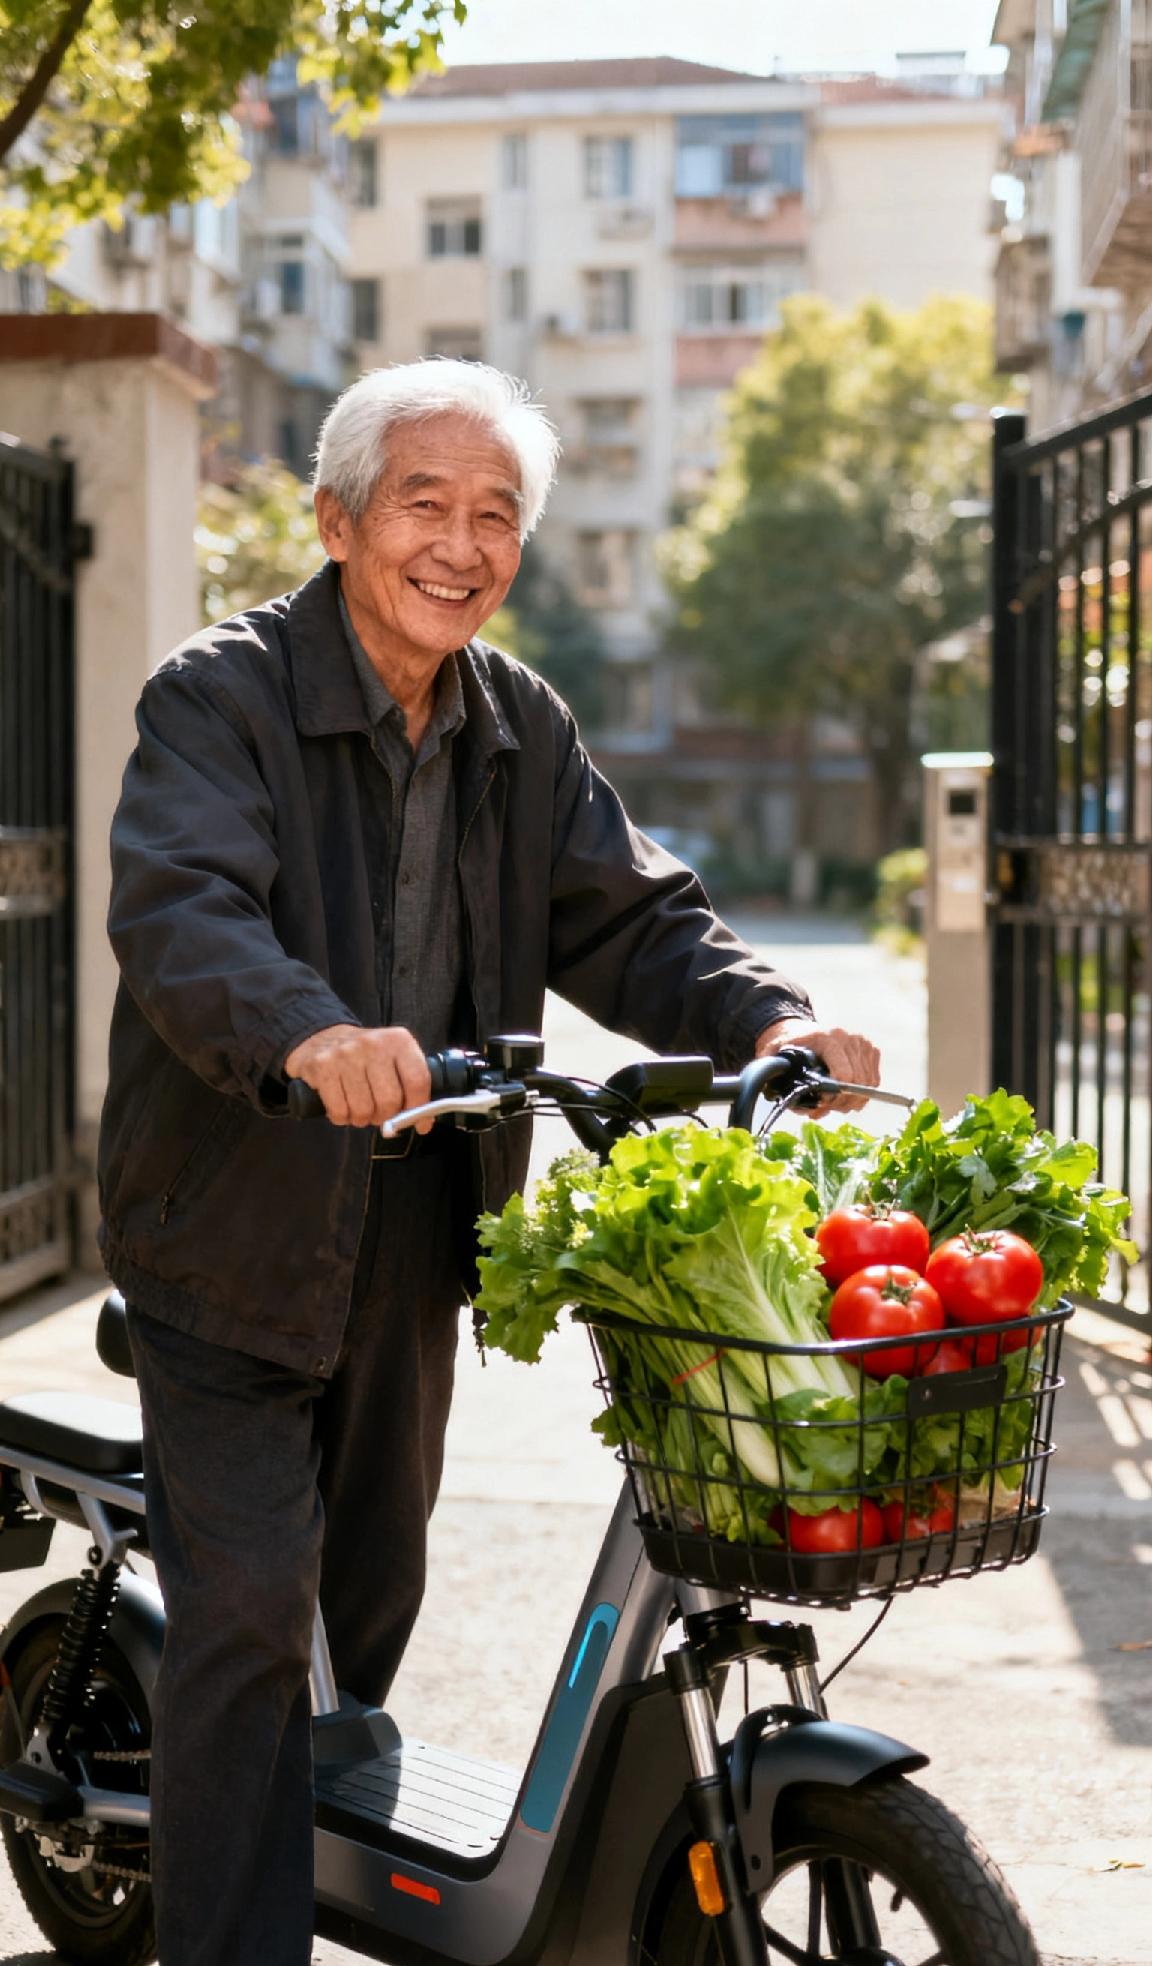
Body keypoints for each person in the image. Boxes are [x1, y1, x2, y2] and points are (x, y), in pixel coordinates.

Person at [97, 359, 881, 1966]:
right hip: (230, 1225)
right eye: (423, 505)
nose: (461, 545)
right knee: (248, 1622)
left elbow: (635, 910)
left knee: (368, 1595)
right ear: (336, 519)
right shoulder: (216, 696)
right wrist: (311, 1031)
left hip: (413, 1224)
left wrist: (771, 1015)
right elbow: (183, 910)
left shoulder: (519, 721)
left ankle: (305, 1852)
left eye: (496, 516)